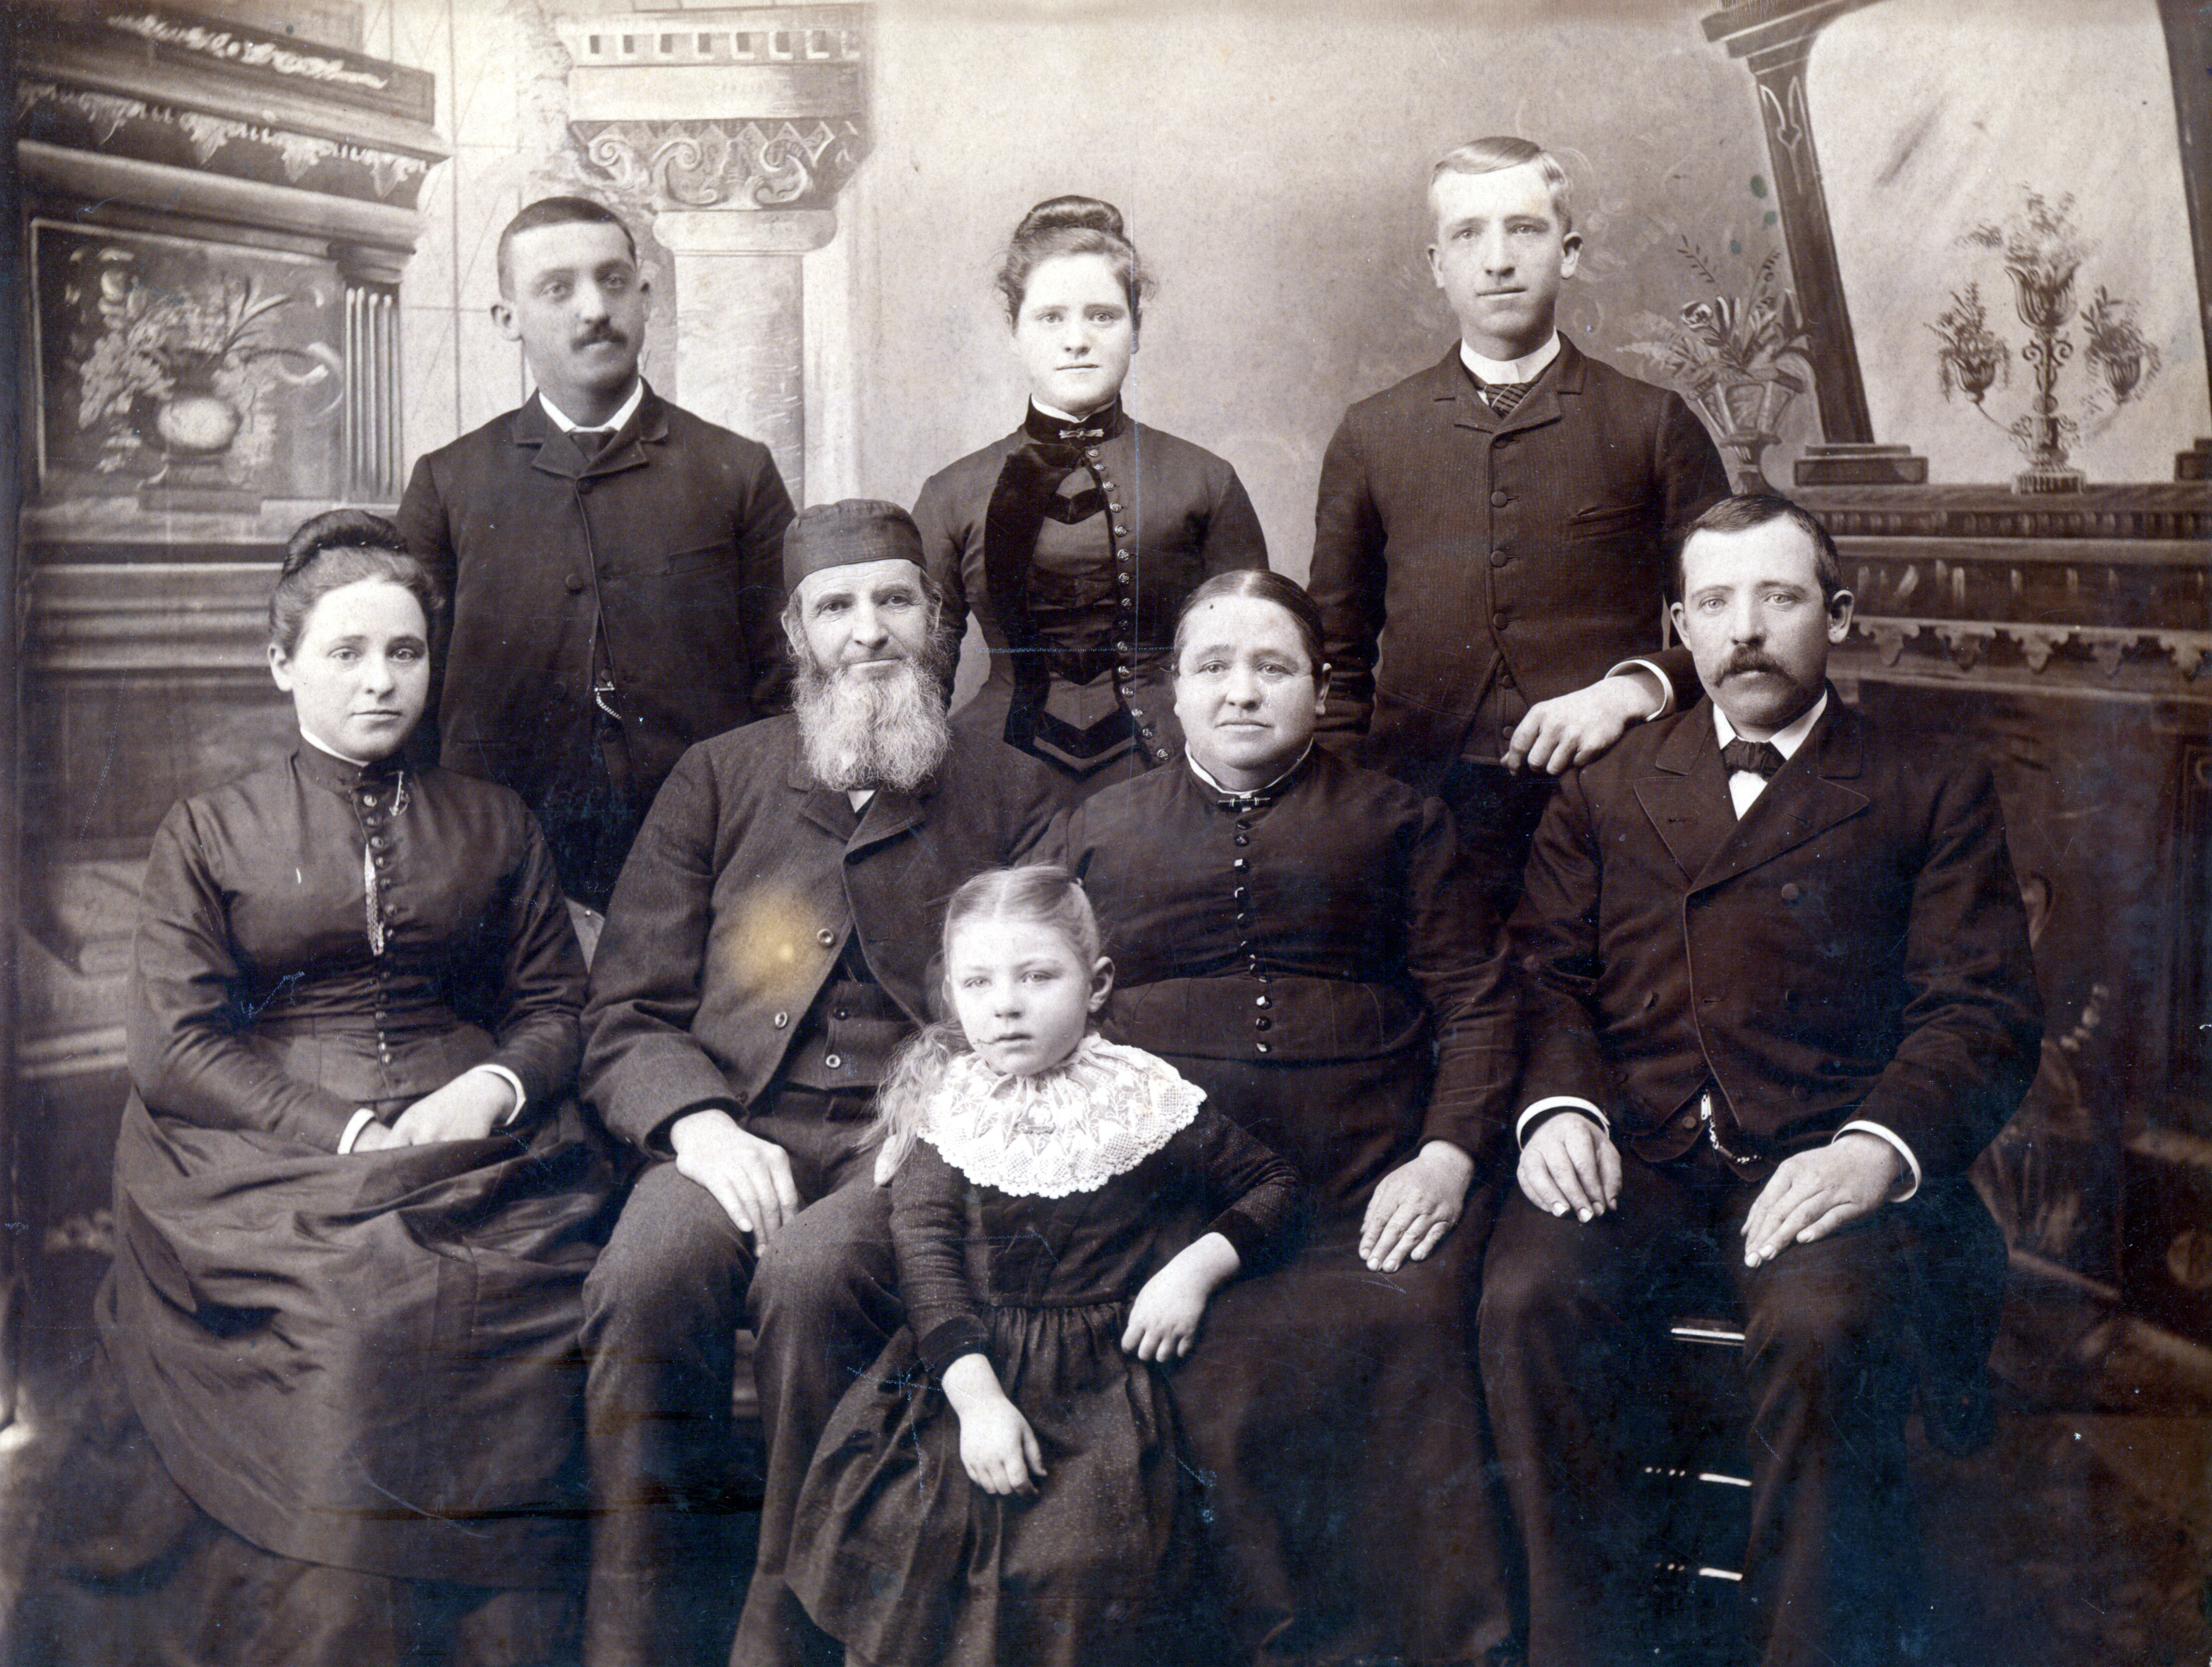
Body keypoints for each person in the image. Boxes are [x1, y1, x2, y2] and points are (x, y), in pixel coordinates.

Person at [1479, 494, 2044, 1667]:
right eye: (1716, 602)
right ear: (1678, 626)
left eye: (1779, 597)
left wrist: (1874, 1149)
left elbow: (1978, 1009)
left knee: (1824, 1327)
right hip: (1636, 1150)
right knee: (1527, 1299)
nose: (1745, 628)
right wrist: (1558, 1108)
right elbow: (1544, 976)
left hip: (1821, 1157)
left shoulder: (1927, 781)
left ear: (1837, 614)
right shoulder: (1606, 784)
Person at [88, 509, 615, 1664]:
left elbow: (558, 1007)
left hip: (474, 1141)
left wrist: (489, 1089)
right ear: (282, 663)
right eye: (346, 652)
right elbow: (173, 1045)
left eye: (405, 651)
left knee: (526, 1302)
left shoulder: (495, 820)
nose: (381, 680)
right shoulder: (211, 829)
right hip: (267, 1151)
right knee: (358, 1314)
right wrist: (343, 1129)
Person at [576, 500, 1066, 1667]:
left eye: (895, 600)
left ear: (935, 620)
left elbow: (1050, 1008)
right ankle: (638, 1638)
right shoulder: (717, 777)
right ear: (797, 632)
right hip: (733, 1124)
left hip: (912, 1140)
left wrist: (943, 1121)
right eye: (836, 606)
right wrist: (697, 1126)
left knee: (811, 1280)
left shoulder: (1015, 792)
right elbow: (626, 1006)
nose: (868, 631)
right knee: (643, 1279)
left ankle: (788, 1636)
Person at [1051, 568, 1520, 1667]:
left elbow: (1478, 1001)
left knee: (1410, 1333)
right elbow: (1028, 1001)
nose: (1241, 691)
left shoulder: (1400, 820)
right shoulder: (1096, 829)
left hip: (1370, 1193)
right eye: (1212, 666)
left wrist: (1445, 1157)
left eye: (1273, 667)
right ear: (1171, 689)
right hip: (1171, 1201)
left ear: (1320, 687)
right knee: (1196, 1361)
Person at [785, 867, 1300, 1667]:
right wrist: (978, 1401)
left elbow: (1273, 1183)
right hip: (967, 1364)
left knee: (1083, 1555)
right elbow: (926, 1259)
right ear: (951, 995)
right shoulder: (950, 1106)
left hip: (1102, 1380)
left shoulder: (1137, 1093)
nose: (1006, 1004)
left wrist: (1193, 1270)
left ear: (1096, 984)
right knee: (911, 1531)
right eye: (978, 982)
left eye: (1037, 975)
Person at [1307, 135, 1730, 916]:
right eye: (1467, 234)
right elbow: (1334, 649)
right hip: (1415, 806)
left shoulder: (1651, 423)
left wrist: (1628, 691)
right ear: (1436, 263)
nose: (1496, 260)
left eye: (1524, 229)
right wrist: (1339, 806)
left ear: (1568, 253)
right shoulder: (1371, 432)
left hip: (1610, 800)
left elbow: (1726, 624)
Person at [397, 195, 796, 929]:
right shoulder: (449, 483)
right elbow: (411, 694)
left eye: (613, 281)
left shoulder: (737, 471)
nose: (594, 309)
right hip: (500, 868)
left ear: (645, 297)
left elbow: (786, 685)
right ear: (507, 317)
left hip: (707, 859)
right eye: (557, 288)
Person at [913, 194, 1268, 796]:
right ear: (1013, 331)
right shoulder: (951, 494)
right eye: (1050, 318)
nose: (1076, 340)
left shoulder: (1204, 480)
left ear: (1136, 330)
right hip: (991, 782)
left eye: (1102, 316)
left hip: (1173, 778)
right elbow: (919, 681)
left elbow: (1251, 659)